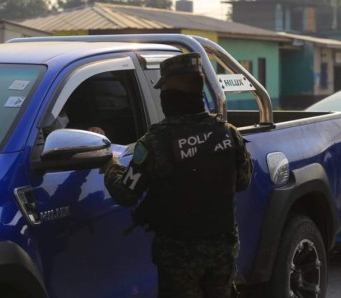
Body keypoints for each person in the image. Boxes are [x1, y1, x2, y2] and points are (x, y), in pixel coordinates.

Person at [100, 53, 253, 298]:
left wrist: (110, 164)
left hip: (179, 256)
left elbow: (125, 193)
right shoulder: (228, 134)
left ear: (168, 97)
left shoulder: (156, 141)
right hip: (222, 249)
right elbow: (243, 182)